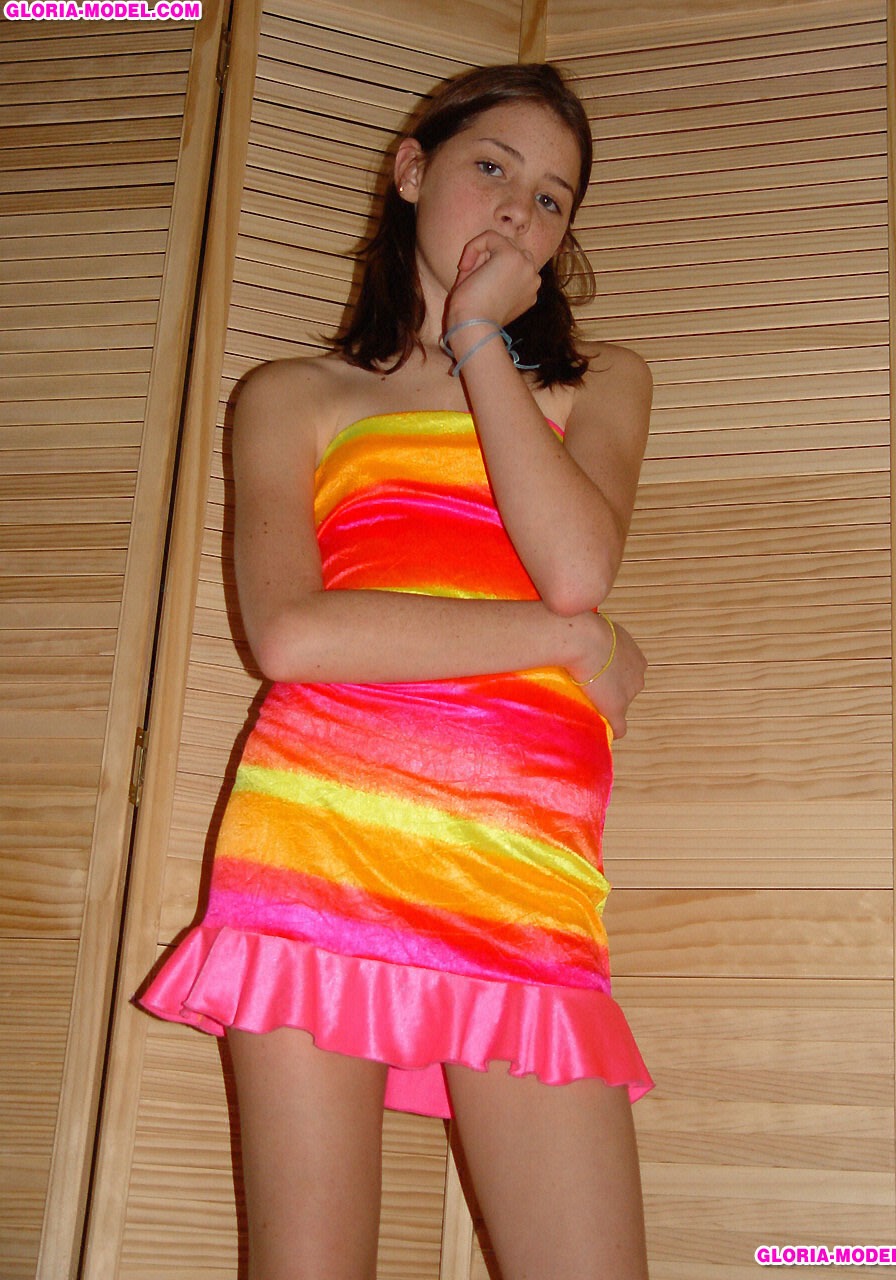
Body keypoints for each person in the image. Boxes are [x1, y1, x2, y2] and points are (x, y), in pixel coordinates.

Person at [140, 61, 654, 1280]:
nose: (520, 208)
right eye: (493, 167)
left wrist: (478, 337)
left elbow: (576, 564)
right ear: (413, 169)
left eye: (553, 198)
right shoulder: (295, 395)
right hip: (320, 855)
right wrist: (572, 644)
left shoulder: (598, 387)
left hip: (525, 869)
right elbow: (293, 634)